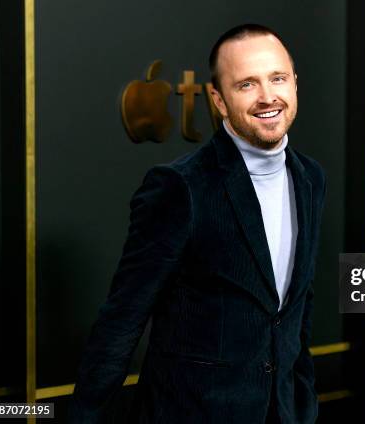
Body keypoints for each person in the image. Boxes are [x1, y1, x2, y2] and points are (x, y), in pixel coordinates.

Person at [69, 23, 327, 423]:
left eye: (277, 78)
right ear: (219, 100)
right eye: (246, 85)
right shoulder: (180, 187)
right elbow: (123, 318)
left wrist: (304, 400)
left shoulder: (311, 178)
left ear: (294, 83)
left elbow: (298, 304)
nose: (267, 97)